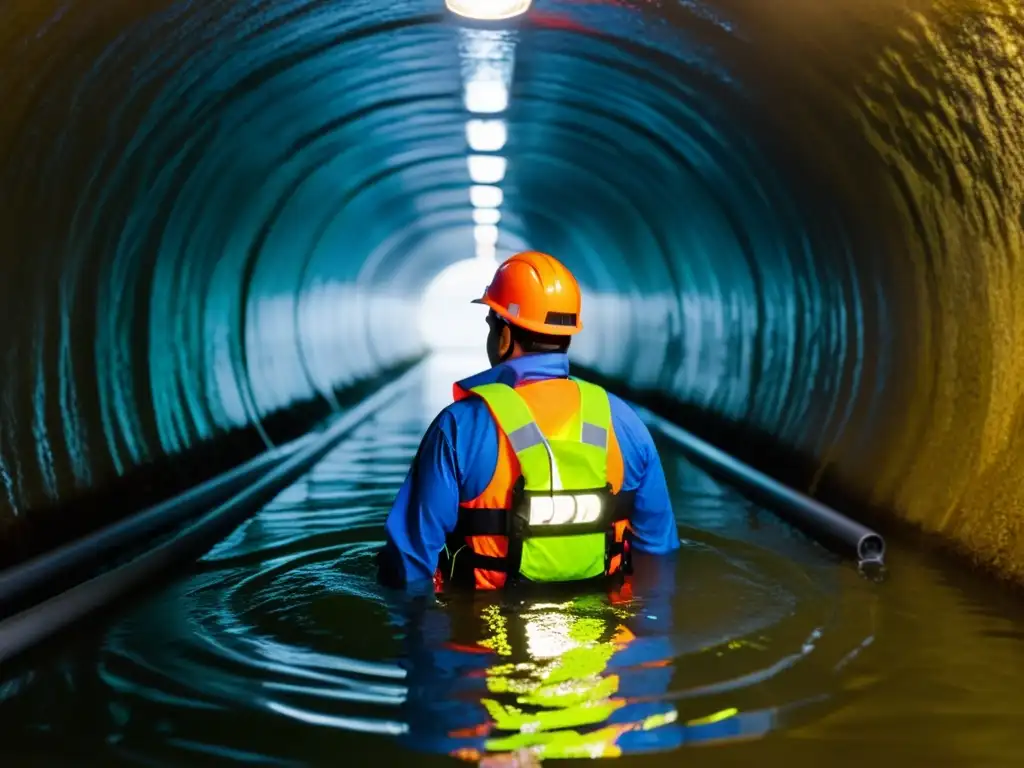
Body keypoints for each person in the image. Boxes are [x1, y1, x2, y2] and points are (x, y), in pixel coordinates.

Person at [377, 250, 679, 591]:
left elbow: (410, 561)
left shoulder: (459, 427)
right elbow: (659, 552)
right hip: (605, 638)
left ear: (504, 335)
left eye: (492, 324)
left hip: (483, 638)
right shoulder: (624, 421)